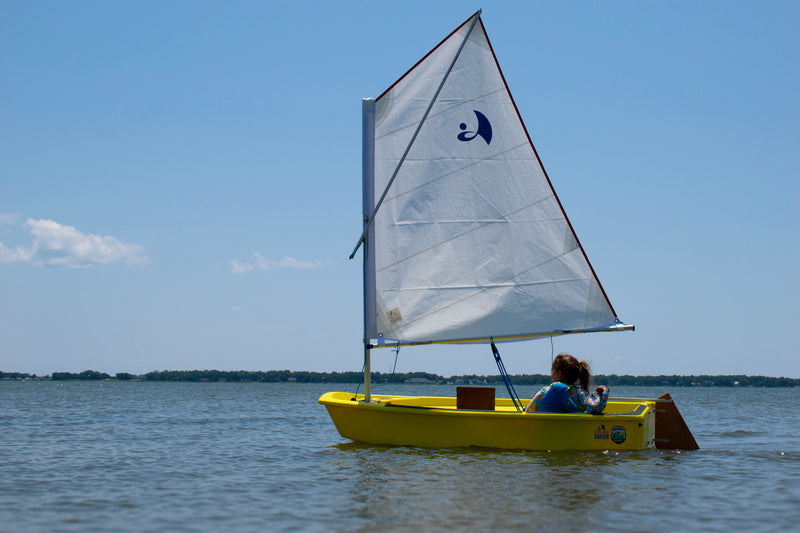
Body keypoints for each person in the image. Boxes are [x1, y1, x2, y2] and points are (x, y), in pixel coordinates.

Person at [524, 353, 609, 414]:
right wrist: (603, 392)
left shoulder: (545, 391)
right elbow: (596, 408)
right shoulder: (580, 393)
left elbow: (528, 411)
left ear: (559, 373)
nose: (551, 374)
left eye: (552, 371)